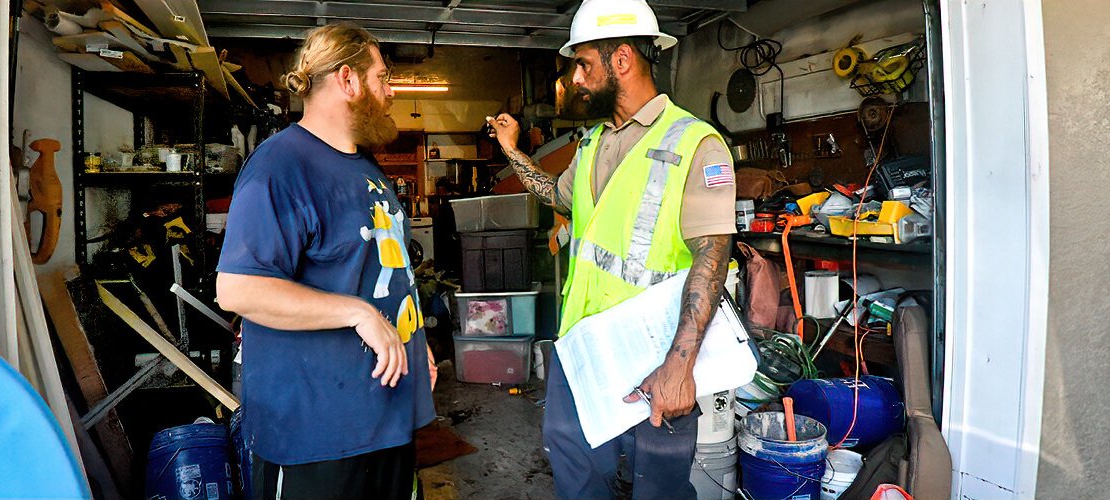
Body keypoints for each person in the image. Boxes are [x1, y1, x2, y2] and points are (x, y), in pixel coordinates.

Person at [486, 0, 736, 497]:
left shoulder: (695, 143)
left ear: (621, 60)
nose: (575, 79)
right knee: (577, 482)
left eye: (584, 64)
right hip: (582, 353)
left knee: (656, 488)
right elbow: (555, 194)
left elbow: (712, 260)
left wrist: (680, 367)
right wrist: (512, 150)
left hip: (655, 360)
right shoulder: (593, 143)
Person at [216, 23, 436, 500]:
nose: (390, 91)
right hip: (316, 437)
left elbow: (383, 269)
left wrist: (415, 340)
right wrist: (358, 314)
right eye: (382, 77)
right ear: (348, 80)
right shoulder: (280, 167)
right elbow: (237, 289)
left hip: (386, 420)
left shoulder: (364, 166)